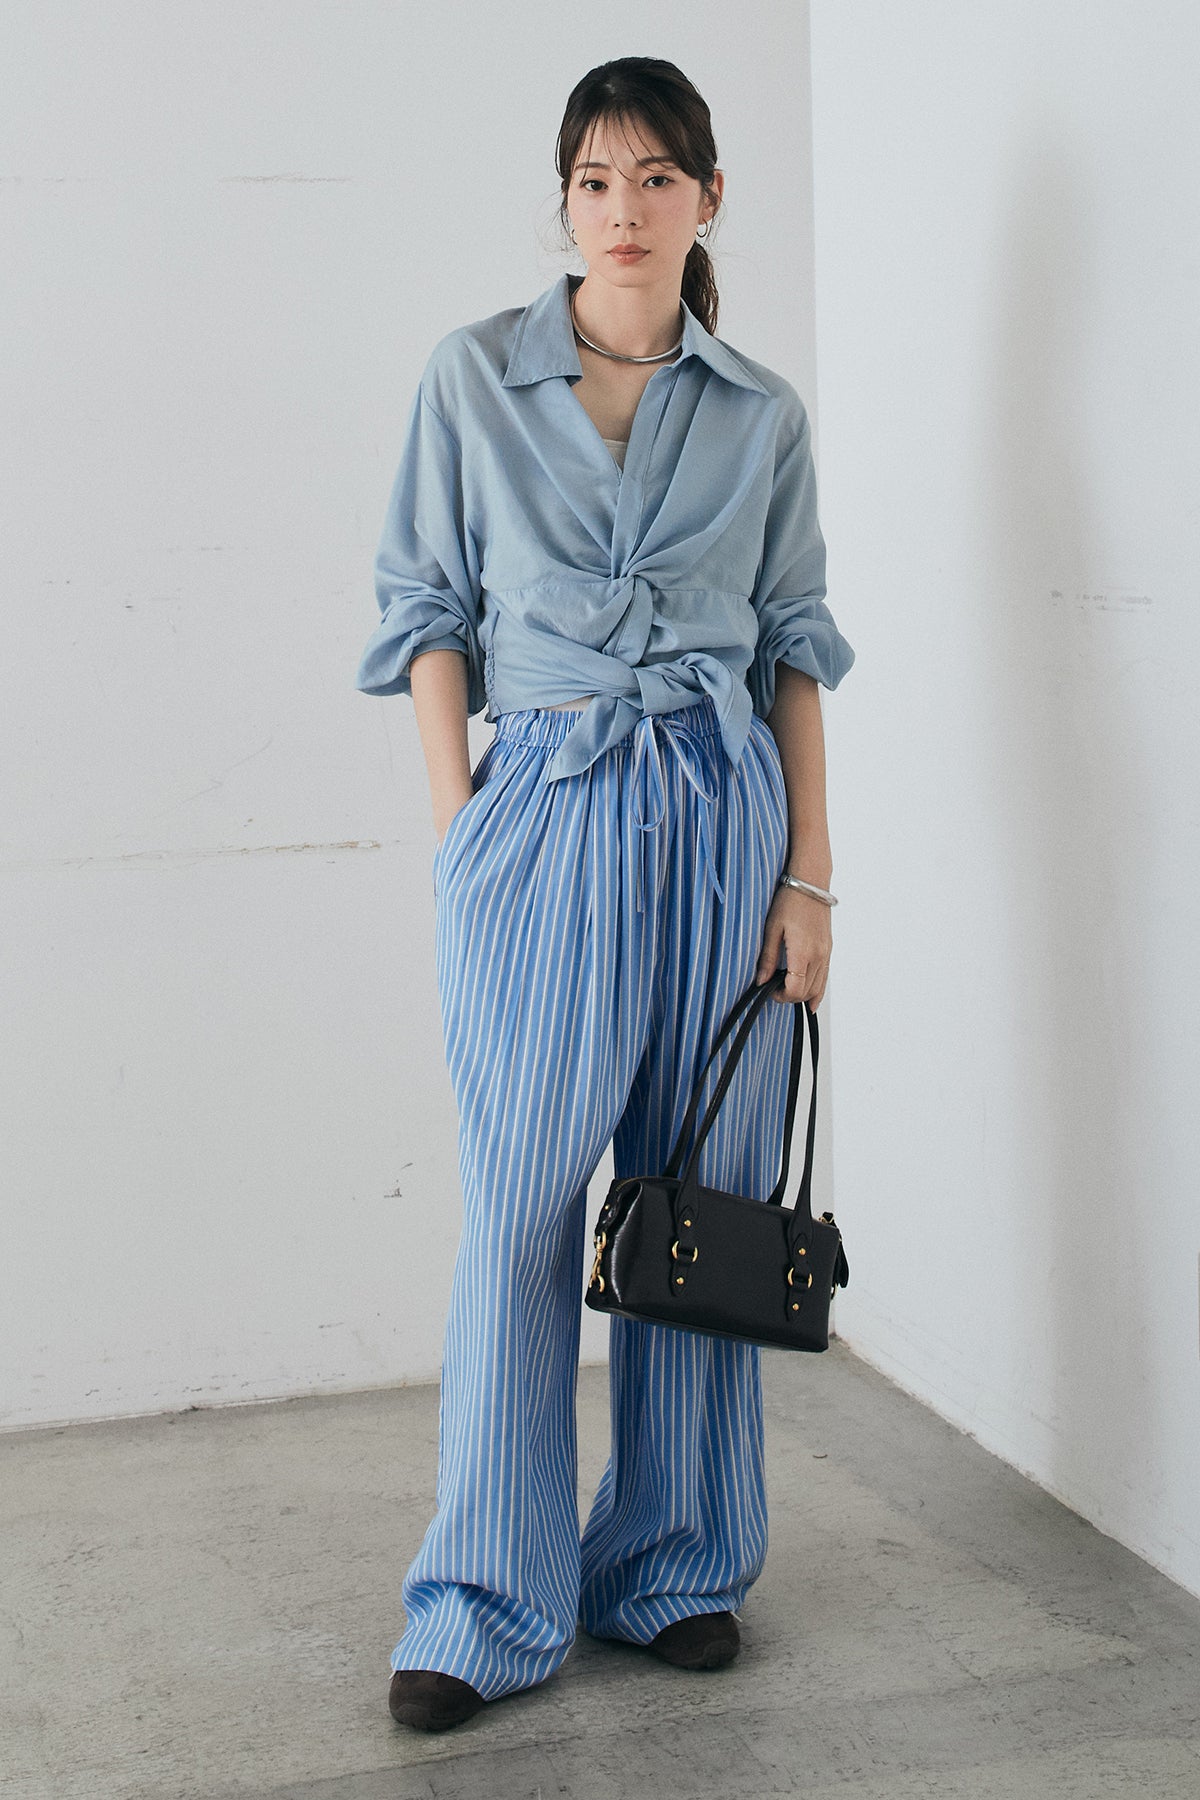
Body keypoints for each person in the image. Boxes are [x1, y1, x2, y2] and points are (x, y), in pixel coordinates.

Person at [355, 56, 855, 1733]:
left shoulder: (761, 414)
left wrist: (810, 877)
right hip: (546, 815)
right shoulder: (474, 378)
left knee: (697, 1192)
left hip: (724, 823)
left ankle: (674, 1563)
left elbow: (795, 650)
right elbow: (427, 609)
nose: (621, 210)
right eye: (592, 180)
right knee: (519, 1205)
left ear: (709, 197)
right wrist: (461, 827)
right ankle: (486, 1597)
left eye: (653, 178)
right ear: (563, 200)